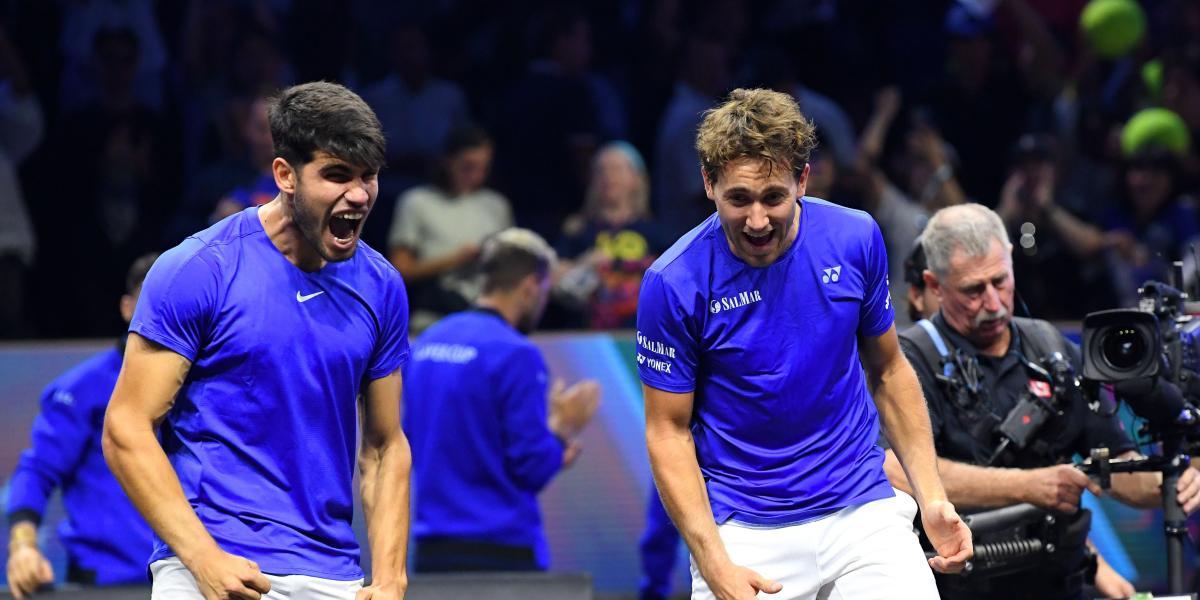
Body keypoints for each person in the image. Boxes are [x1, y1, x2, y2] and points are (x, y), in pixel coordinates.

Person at [637, 88, 971, 600]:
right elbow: (667, 432)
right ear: (708, 184)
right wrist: (714, 561)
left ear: (803, 179)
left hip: (862, 511)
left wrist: (932, 498)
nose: (756, 221)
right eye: (738, 199)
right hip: (744, 529)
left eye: (773, 197)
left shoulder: (855, 236)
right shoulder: (673, 283)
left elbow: (887, 370)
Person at [102, 81, 412, 600]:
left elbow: (383, 445)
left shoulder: (381, 288)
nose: (358, 195)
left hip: (332, 575)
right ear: (285, 176)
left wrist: (390, 577)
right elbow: (126, 427)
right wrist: (201, 559)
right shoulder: (199, 269)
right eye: (336, 175)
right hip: (215, 567)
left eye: (368, 177)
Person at [886, 203, 1200, 600]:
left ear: (1012, 261)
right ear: (933, 285)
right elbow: (895, 470)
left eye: (1001, 281)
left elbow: (1116, 468)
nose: (994, 302)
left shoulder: (1049, 347)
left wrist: (1171, 481)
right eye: (973, 290)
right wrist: (1028, 486)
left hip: (1057, 580)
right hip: (958, 584)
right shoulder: (906, 360)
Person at [403, 228, 600, 572]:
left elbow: (408, 439)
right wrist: (560, 432)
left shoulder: (427, 343)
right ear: (529, 288)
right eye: (543, 293)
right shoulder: (516, 353)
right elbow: (532, 466)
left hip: (430, 549)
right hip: (500, 550)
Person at [6, 253, 158, 599]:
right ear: (126, 307)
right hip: (108, 585)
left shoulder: (208, 387)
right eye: (149, 301)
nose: (160, 313)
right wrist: (23, 546)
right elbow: (37, 470)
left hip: (195, 580)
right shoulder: (81, 389)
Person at [387, 124, 512, 333]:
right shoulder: (417, 202)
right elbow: (400, 269)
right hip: (433, 314)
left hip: (485, 314)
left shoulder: (496, 204)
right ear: (447, 161)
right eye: (468, 167)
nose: (477, 176)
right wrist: (456, 259)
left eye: (484, 167)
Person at [556, 141, 672, 330]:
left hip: (643, 336)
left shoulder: (658, 234)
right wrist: (584, 264)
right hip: (587, 339)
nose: (609, 177)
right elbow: (550, 277)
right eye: (601, 170)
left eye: (617, 169)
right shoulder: (578, 231)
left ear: (636, 178)